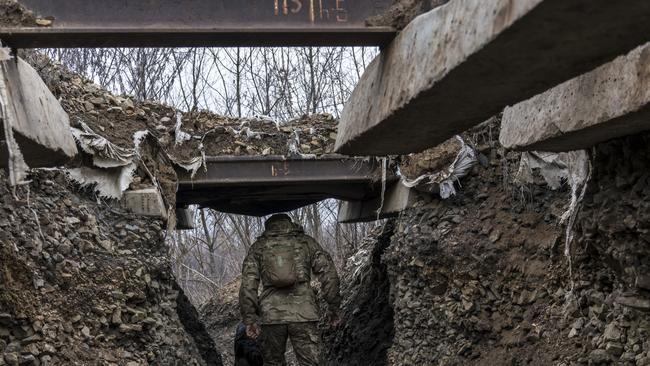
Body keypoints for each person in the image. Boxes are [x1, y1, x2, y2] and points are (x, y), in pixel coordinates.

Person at [239, 214, 342, 366]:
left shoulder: (258, 247)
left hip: (271, 316)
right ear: (290, 223)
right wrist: (334, 307)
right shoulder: (306, 242)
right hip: (304, 313)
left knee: (273, 363)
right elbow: (329, 274)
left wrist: (250, 319)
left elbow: (248, 285)